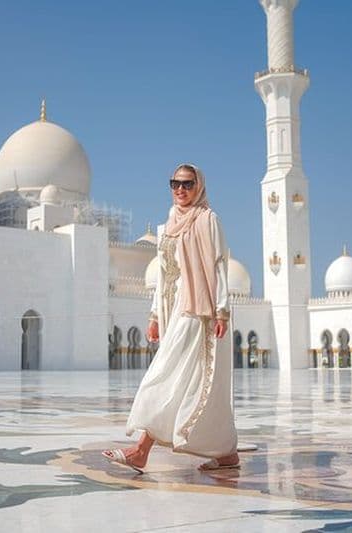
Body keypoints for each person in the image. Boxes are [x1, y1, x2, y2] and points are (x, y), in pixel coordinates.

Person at [102, 163, 238, 473]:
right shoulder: (168, 225)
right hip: (175, 309)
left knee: (165, 375)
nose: (180, 189)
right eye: (174, 183)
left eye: (187, 184)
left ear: (199, 186)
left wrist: (222, 310)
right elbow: (164, 276)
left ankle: (141, 449)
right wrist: (153, 315)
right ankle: (227, 452)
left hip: (201, 312)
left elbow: (219, 266)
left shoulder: (208, 219)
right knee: (198, 384)